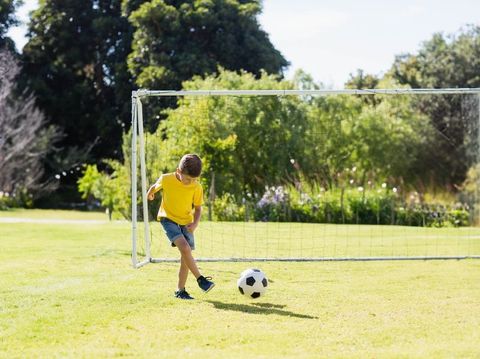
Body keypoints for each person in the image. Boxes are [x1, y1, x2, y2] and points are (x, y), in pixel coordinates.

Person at [147, 154, 215, 300]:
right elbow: (155, 186)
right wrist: (150, 193)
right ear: (178, 171)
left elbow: (198, 208)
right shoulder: (166, 179)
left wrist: (195, 223)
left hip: (186, 223)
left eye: (194, 179)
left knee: (185, 257)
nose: (190, 182)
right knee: (185, 248)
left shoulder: (196, 187)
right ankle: (200, 279)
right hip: (168, 219)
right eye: (188, 178)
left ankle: (180, 290)